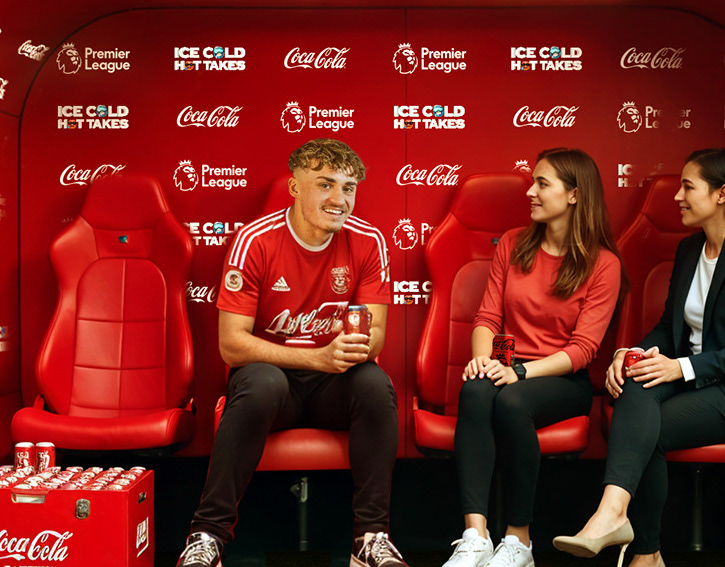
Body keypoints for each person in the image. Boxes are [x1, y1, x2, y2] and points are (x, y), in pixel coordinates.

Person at [176, 138, 407, 567]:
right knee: (261, 381)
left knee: (375, 384)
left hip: (334, 385)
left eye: (348, 188)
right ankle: (207, 536)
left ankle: (371, 538)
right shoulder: (255, 240)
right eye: (325, 184)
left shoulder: (368, 240)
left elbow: (374, 337)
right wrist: (316, 357)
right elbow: (231, 344)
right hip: (273, 385)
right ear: (295, 187)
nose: (339, 199)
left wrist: (353, 348)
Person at [443, 148, 624, 567]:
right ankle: (475, 537)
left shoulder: (604, 263)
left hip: (562, 378)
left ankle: (519, 540)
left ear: (574, 194)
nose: (531, 192)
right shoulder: (513, 243)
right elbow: (488, 317)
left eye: (543, 183)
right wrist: (483, 361)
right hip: (509, 364)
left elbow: (582, 350)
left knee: (511, 400)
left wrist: (520, 373)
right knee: (475, 390)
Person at [553, 149, 725, 567]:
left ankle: (642, 549)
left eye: (688, 187)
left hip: (716, 386)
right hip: (691, 382)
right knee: (636, 383)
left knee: (648, 429)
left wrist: (680, 367)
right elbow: (668, 327)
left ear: (721, 194)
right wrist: (628, 353)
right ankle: (619, 523)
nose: (678, 197)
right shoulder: (690, 250)